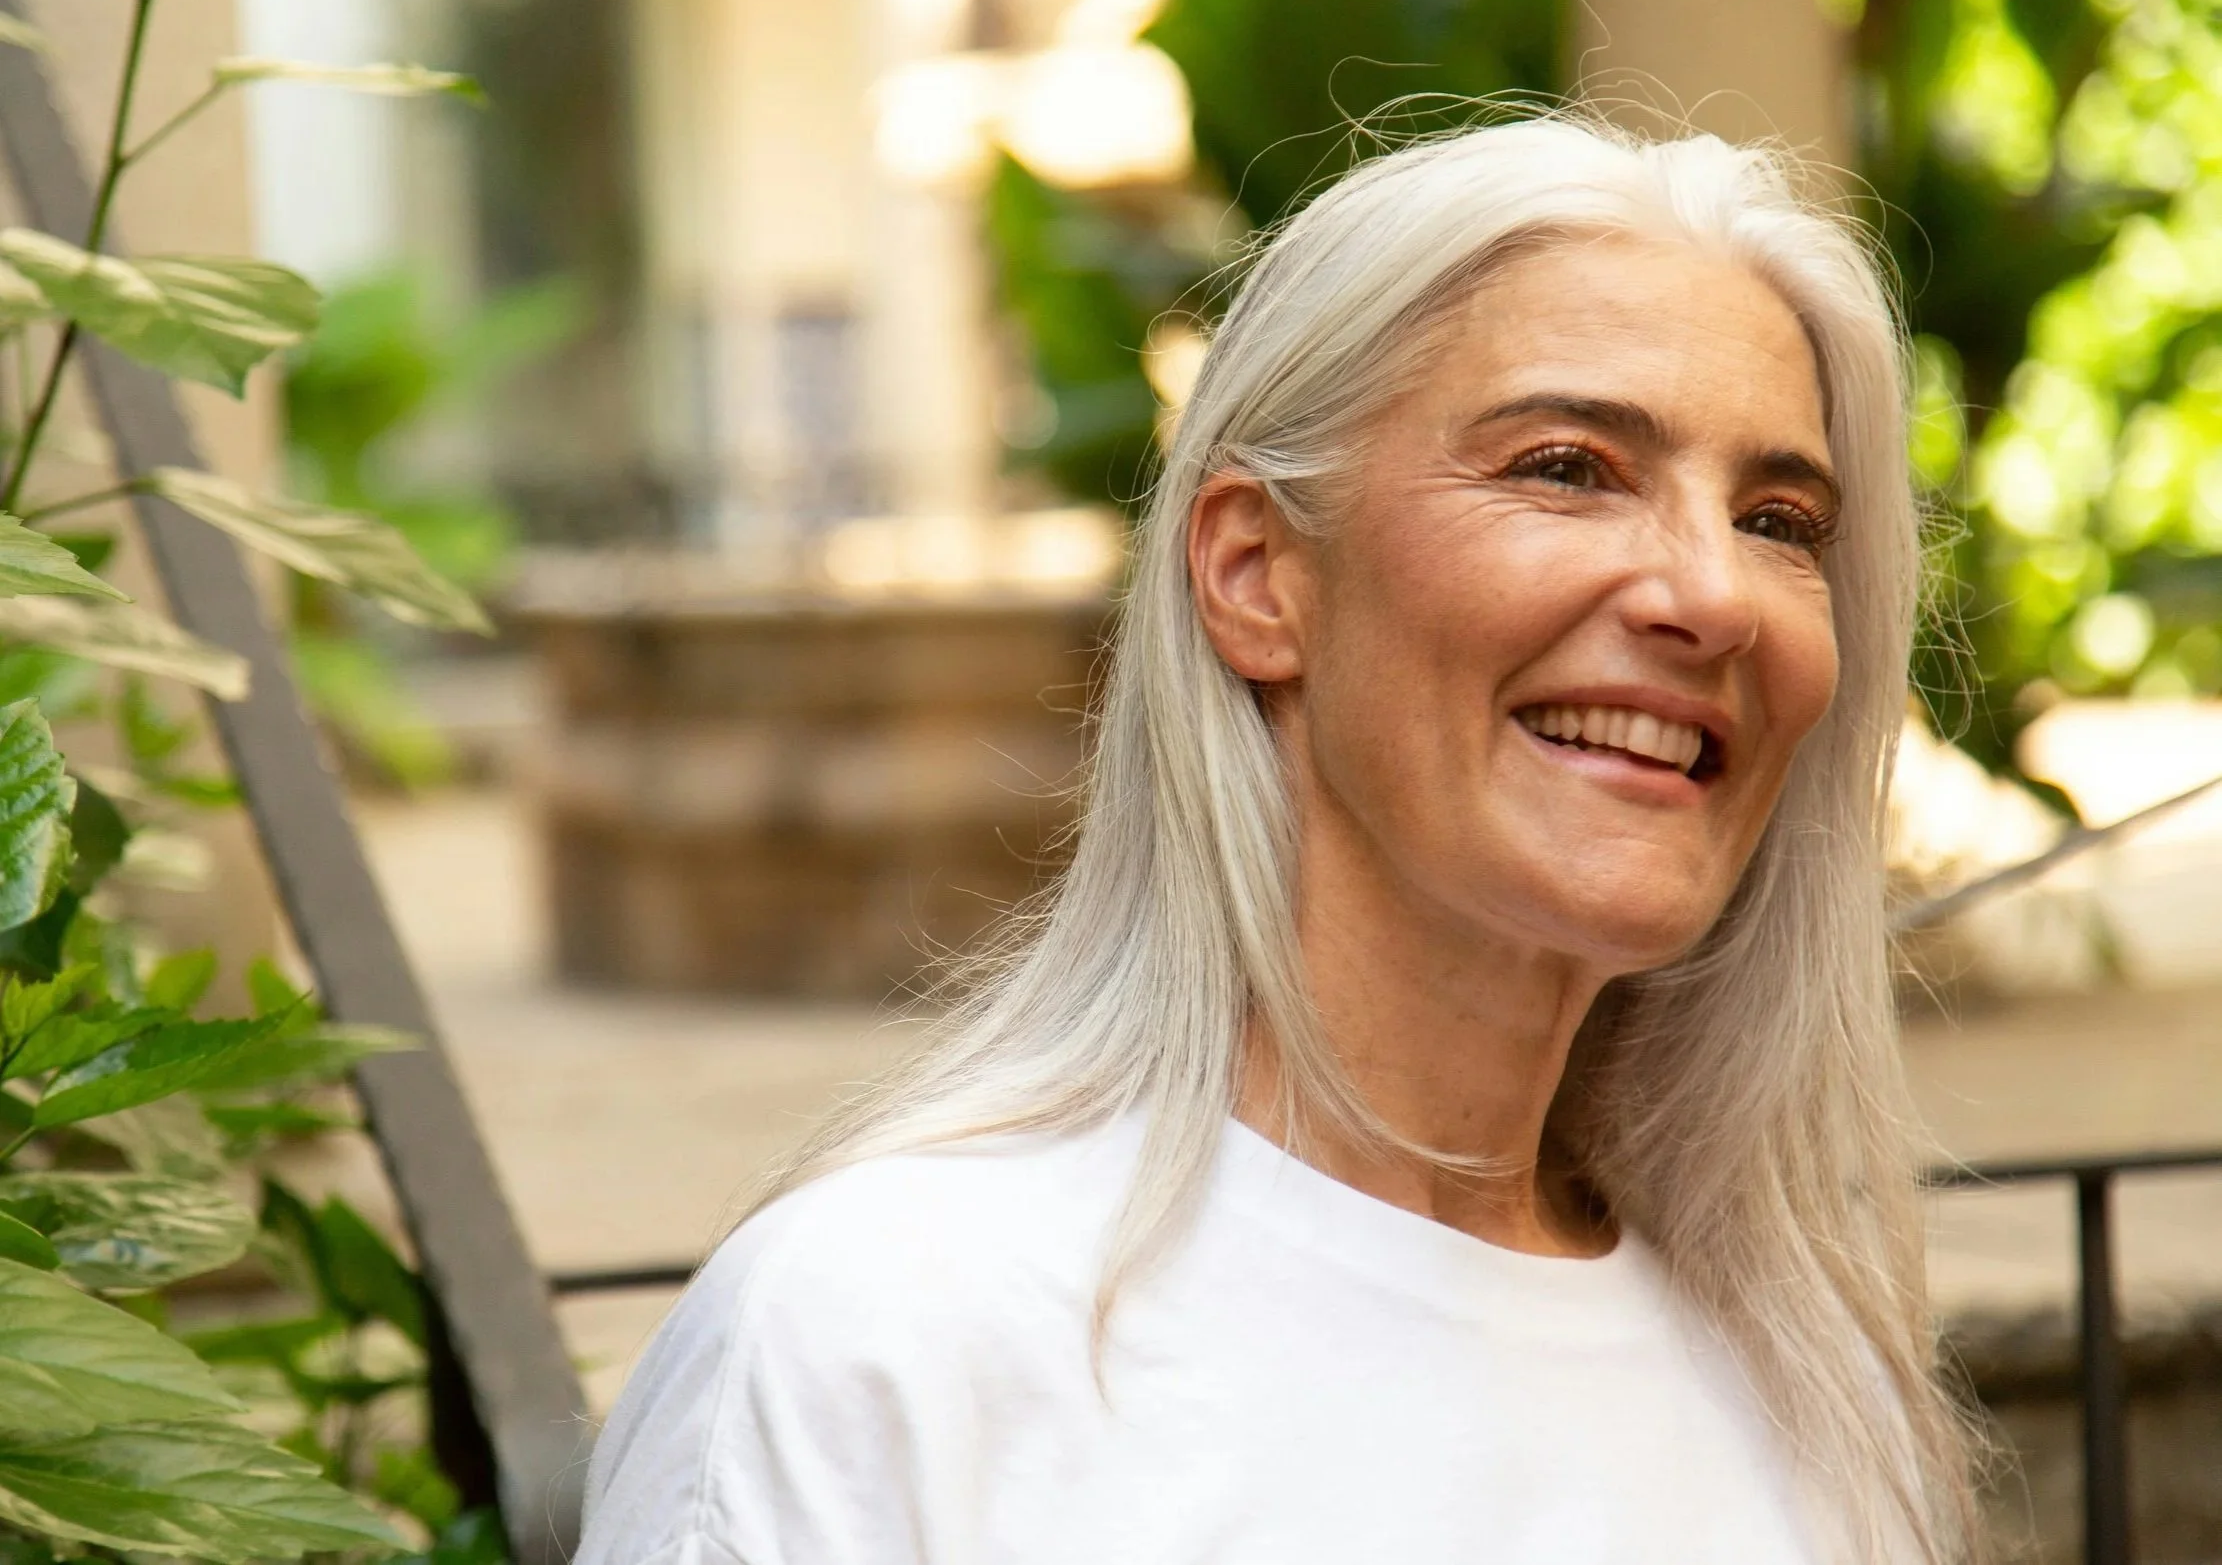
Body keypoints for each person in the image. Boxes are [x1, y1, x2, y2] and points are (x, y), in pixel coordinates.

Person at [575, 116, 1981, 1565]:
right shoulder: (886, 1336)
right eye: (1566, 467)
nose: (1714, 594)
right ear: (1254, 572)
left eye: (1777, 518)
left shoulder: (1813, 1388)